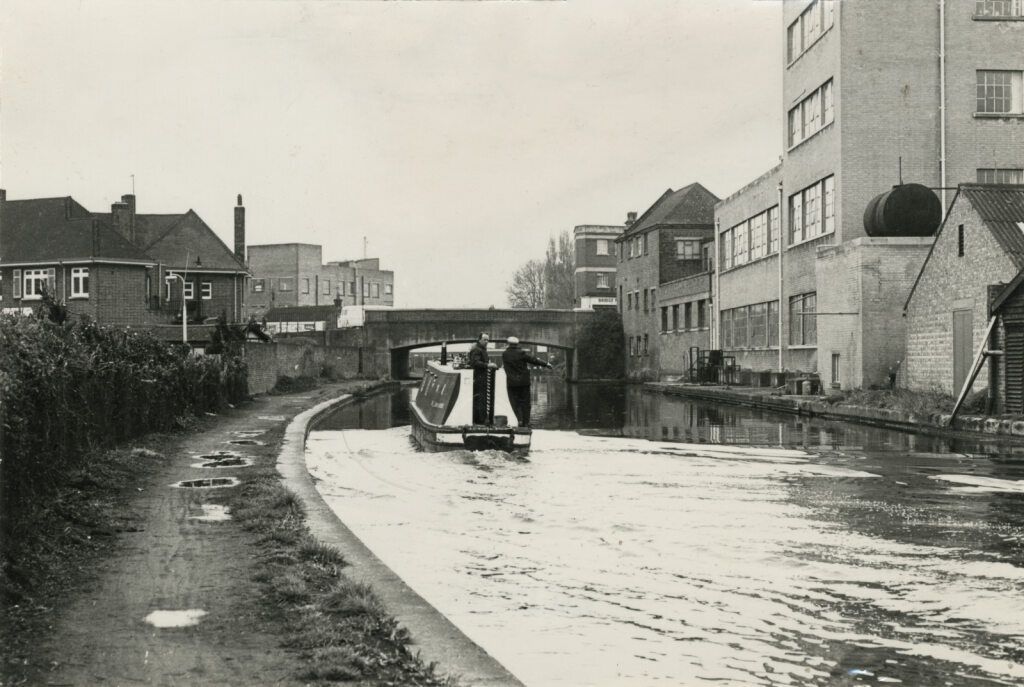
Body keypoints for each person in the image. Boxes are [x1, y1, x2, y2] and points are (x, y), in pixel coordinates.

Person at [501, 336, 552, 427]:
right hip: (524, 383)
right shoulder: (521, 353)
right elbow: (534, 360)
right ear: (517, 344)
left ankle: (519, 420)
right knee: (525, 403)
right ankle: (526, 422)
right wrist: (546, 364)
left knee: (514, 402)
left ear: (508, 344)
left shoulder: (505, 354)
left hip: (512, 383)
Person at [468, 333, 497, 424]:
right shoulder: (477, 350)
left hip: (482, 377)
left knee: (482, 399)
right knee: (481, 399)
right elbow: (475, 362)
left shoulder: (481, 349)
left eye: (488, 340)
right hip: (480, 378)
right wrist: (488, 365)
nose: (487, 342)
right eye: (485, 340)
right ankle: (481, 420)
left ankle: (481, 419)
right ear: (479, 339)